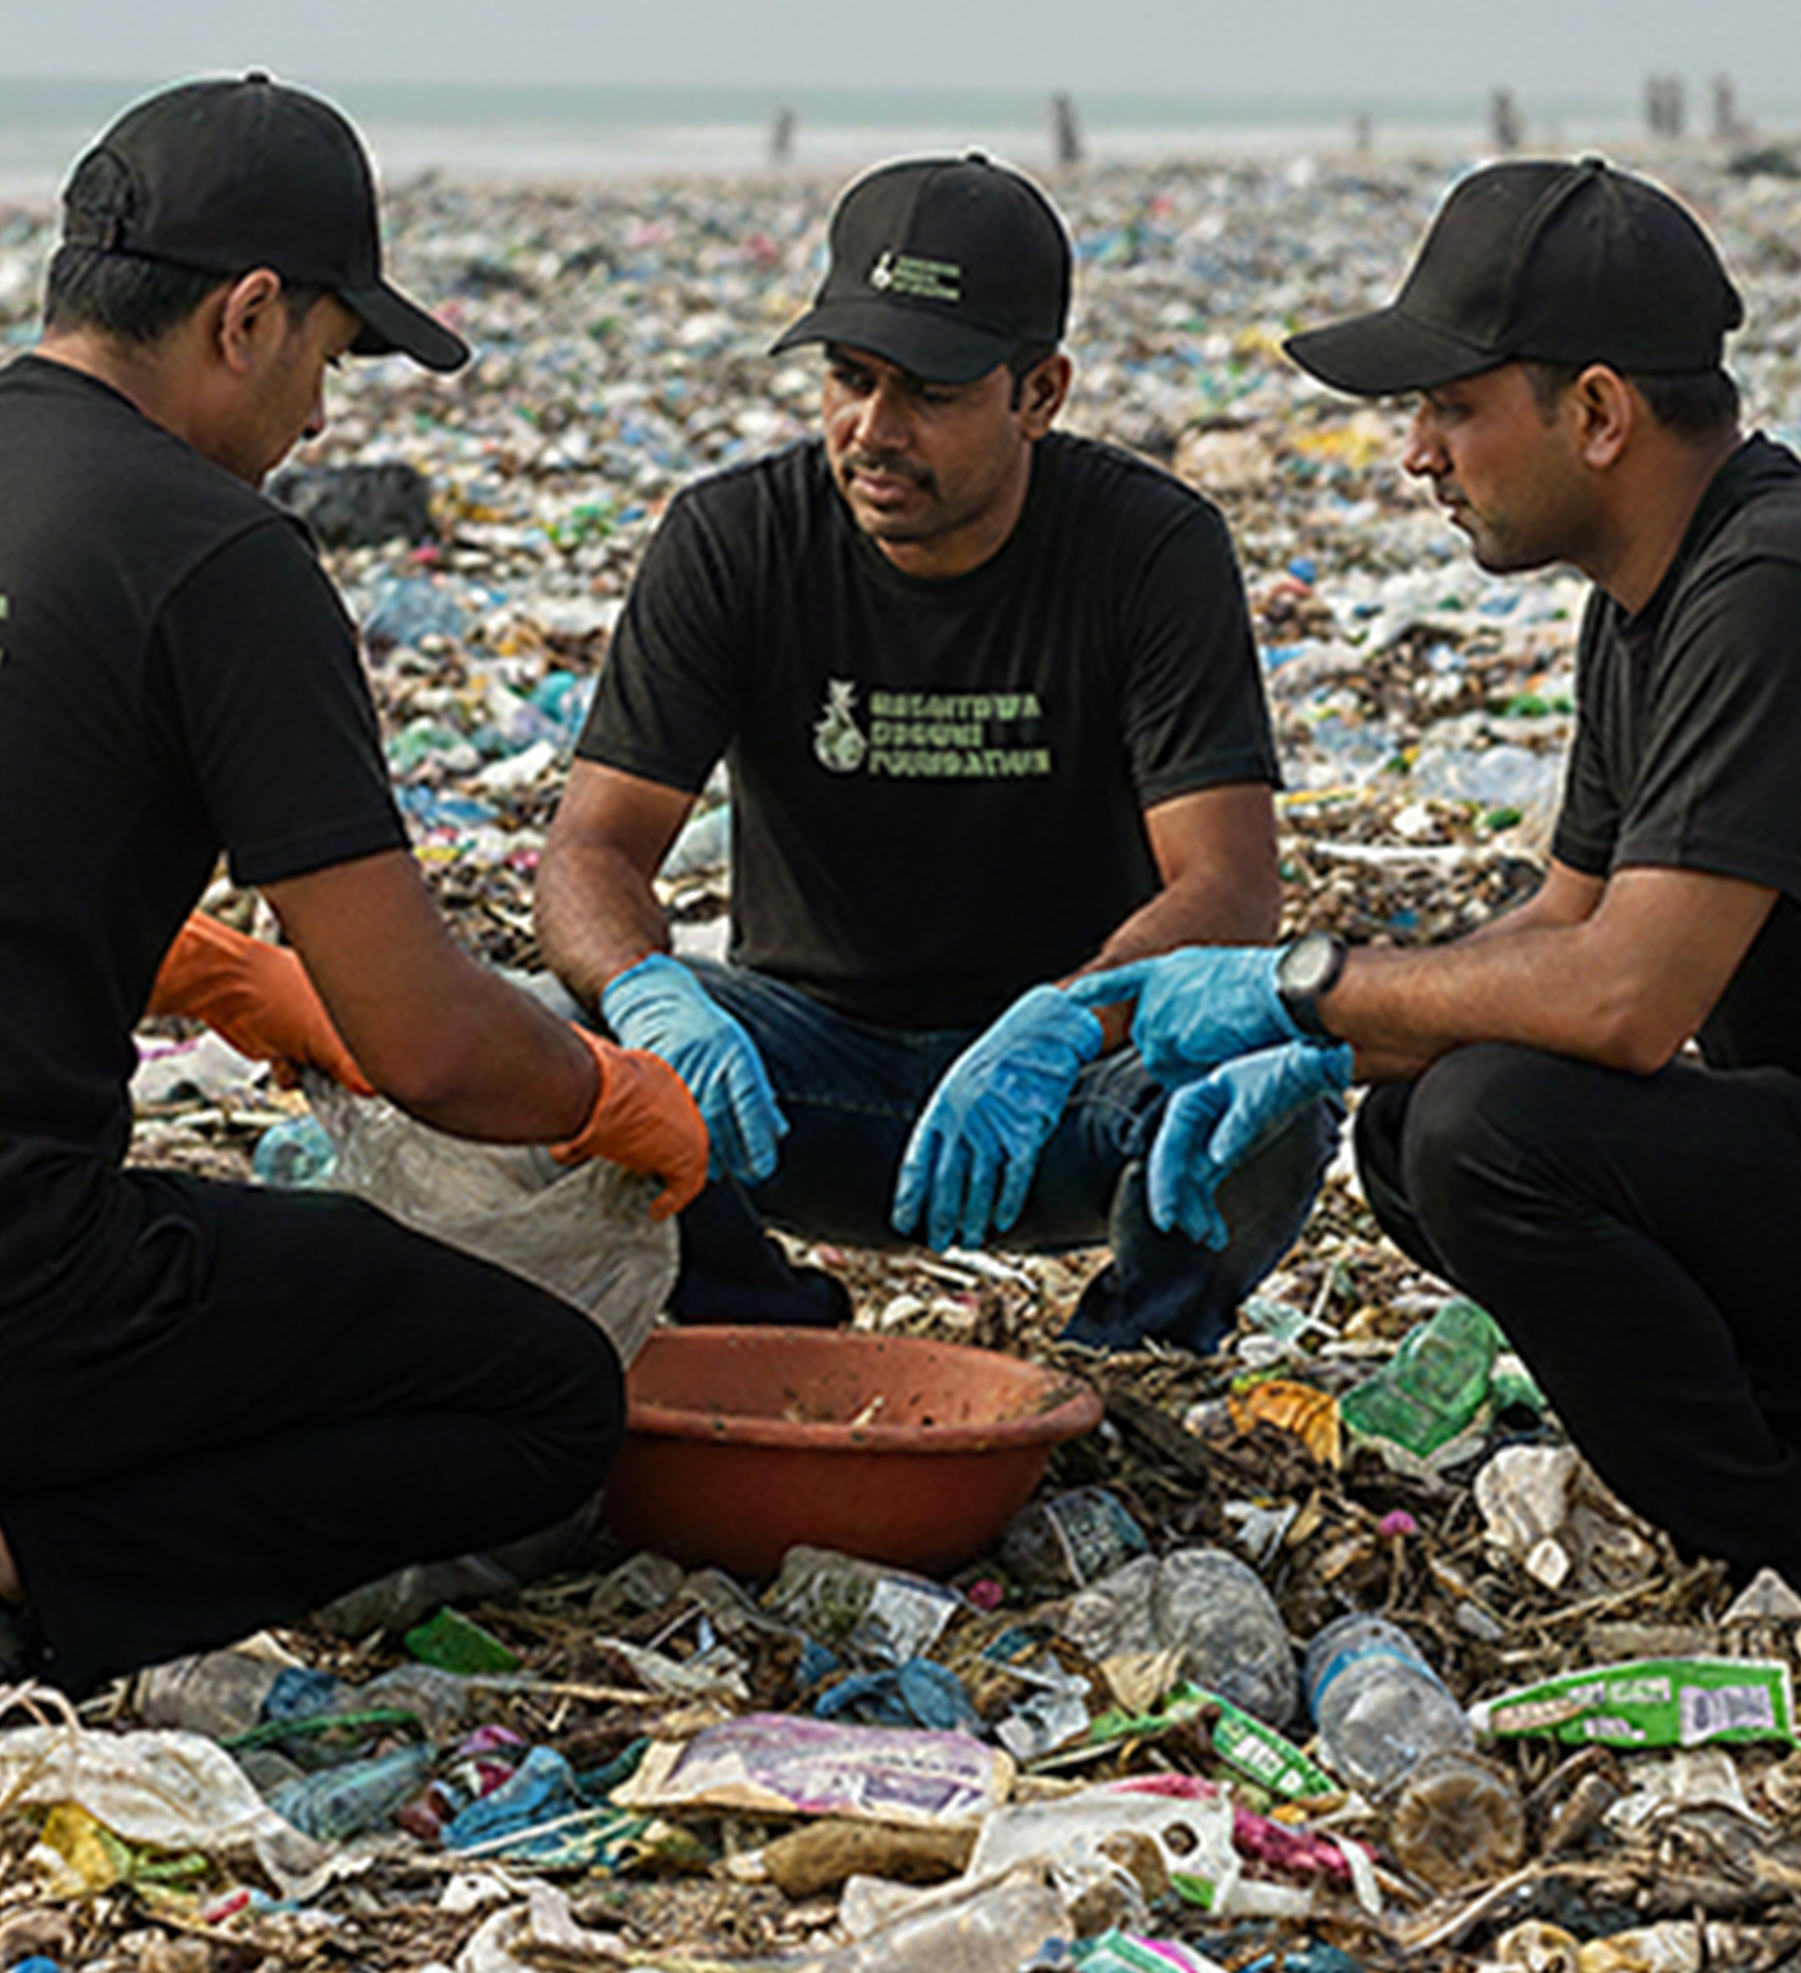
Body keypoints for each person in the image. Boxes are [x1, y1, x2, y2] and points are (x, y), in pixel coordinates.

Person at [0, 74, 709, 1750]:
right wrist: (611, 1097)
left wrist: (246, 988)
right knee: (538, 1394)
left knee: (203, 1270)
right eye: (328, 355)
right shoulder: (215, 553)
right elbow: (433, 1046)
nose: (321, 413)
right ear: (246, 316)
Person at [1094, 157, 1801, 1610]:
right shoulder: (1650, 605)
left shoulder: (1784, 590)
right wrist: (1311, 1045)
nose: (1420, 458)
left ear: (1600, 412)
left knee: (1495, 1128)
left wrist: (1292, 981)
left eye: (1452, 408)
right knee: (1420, 1116)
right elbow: (1561, 920)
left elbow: (1626, 997)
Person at [532, 151, 1327, 1355]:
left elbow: (1228, 886)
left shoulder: (1148, 548)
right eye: (849, 380)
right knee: (542, 1034)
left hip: (1065, 1084)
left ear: (1040, 393)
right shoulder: (734, 539)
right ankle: (766, 1329)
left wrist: (1063, 1020)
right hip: (794, 1080)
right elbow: (592, 849)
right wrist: (650, 1001)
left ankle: (1133, 1361)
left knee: (1270, 1077)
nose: (874, 431)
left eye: (930, 394)